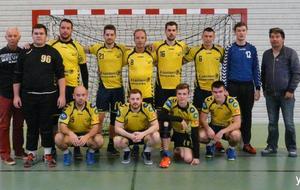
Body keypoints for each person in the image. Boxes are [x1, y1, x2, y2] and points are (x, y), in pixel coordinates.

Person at [13, 24, 66, 168]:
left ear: (46, 35)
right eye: (36, 33)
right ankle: (31, 153)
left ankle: (48, 154)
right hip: (28, 96)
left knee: (46, 126)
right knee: (31, 126)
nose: (38, 35)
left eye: (41, 33)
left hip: (49, 97)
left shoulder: (53, 52)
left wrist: (62, 95)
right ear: (32, 35)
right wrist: (16, 96)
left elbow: (61, 76)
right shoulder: (25, 52)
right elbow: (17, 76)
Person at [48, 18, 88, 159]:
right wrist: (28, 45)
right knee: (54, 119)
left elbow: (84, 70)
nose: (65, 30)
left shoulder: (77, 47)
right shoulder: (51, 45)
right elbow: (37, 49)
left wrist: (85, 88)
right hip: (54, 88)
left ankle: (76, 147)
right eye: (63, 27)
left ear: (71, 30)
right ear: (59, 29)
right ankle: (52, 148)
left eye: (68, 28)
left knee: (73, 120)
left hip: (72, 88)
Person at [221, 22, 261, 154]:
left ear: (246, 32)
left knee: (247, 115)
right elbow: (225, 68)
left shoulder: (252, 49)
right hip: (233, 86)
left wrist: (258, 88)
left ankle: (247, 143)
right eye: (239, 30)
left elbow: (256, 69)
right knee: (232, 115)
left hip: (248, 86)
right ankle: (231, 144)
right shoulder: (229, 49)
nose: (241, 33)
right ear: (235, 32)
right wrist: (225, 87)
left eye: (243, 30)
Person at [86, 24, 126, 155]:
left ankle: (111, 145)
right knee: (100, 118)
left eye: (111, 35)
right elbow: (83, 49)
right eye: (107, 34)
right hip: (103, 89)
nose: (109, 37)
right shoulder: (98, 48)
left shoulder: (121, 49)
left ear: (115, 36)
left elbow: (136, 49)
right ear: (103, 35)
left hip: (118, 90)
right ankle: (96, 144)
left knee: (115, 119)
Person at [261, 27, 300, 157]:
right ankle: (272, 146)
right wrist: (264, 90)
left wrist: (290, 90)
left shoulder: (290, 53)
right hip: (270, 95)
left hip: (286, 96)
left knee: (288, 123)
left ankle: (292, 148)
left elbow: (296, 73)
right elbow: (263, 73)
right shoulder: (266, 54)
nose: (274, 39)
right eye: (272, 36)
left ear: (283, 38)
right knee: (272, 123)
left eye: (277, 36)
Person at [185, 27, 225, 153]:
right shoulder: (196, 51)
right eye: (206, 36)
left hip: (216, 91)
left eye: (210, 36)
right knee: (198, 116)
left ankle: (216, 141)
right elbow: (180, 60)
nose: (208, 39)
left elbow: (227, 66)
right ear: (202, 37)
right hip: (200, 90)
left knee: (216, 117)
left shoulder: (220, 50)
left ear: (214, 37)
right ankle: (196, 140)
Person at [55, 86, 103, 165]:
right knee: (58, 138)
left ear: (86, 96)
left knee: (99, 140)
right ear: (73, 96)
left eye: (83, 95)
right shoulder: (68, 107)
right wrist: (71, 133)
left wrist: (86, 136)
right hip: (72, 136)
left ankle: (90, 153)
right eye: (78, 95)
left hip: (87, 136)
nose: (81, 98)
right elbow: (62, 126)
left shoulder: (92, 108)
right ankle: (67, 153)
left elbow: (95, 128)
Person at [0, 27, 26, 165]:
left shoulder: (24, 53)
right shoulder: (0, 53)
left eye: (14, 35)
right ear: (6, 37)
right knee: (4, 125)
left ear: (19, 37)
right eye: (9, 35)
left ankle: (19, 151)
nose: (12, 38)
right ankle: (4, 153)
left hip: (20, 96)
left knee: (18, 125)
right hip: (4, 95)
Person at [114, 89, 160, 165]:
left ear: (141, 99)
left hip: (144, 134)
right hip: (128, 134)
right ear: (128, 99)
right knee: (116, 141)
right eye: (132, 99)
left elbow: (156, 126)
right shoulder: (123, 108)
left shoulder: (147, 108)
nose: (135, 101)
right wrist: (130, 136)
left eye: (137, 99)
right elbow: (117, 128)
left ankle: (146, 152)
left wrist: (142, 134)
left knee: (156, 136)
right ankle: (127, 151)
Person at [159, 83, 200, 168]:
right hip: (173, 131)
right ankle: (165, 156)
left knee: (188, 159)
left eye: (184, 94)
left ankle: (178, 149)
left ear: (188, 95)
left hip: (184, 134)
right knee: (165, 122)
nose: (182, 96)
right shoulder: (171, 101)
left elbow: (195, 134)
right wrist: (180, 119)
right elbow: (161, 116)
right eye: (179, 94)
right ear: (176, 94)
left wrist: (196, 157)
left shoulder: (193, 111)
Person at [199, 81, 241, 160]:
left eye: (220, 91)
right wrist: (208, 129)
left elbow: (238, 123)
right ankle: (210, 145)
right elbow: (202, 118)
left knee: (236, 135)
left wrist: (222, 131)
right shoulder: (208, 101)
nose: (218, 94)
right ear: (212, 92)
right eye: (215, 92)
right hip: (214, 126)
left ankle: (231, 149)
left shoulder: (232, 102)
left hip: (227, 128)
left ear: (225, 91)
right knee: (200, 135)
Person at [152, 21, 189, 109]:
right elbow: (151, 58)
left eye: (173, 30)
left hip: (176, 87)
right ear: (165, 31)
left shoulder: (182, 45)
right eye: (169, 30)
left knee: (174, 111)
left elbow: (190, 55)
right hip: (161, 86)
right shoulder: (157, 45)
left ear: (177, 31)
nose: (171, 33)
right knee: (160, 113)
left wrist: (181, 62)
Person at [124, 29, 156, 104]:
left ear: (146, 39)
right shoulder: (128, 54)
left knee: (149, 116)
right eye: (137, 38)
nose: (140, 40)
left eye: (142, 38)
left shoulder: (152, 53)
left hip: (148, 95)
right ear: (134, 40)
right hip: (132, 95)